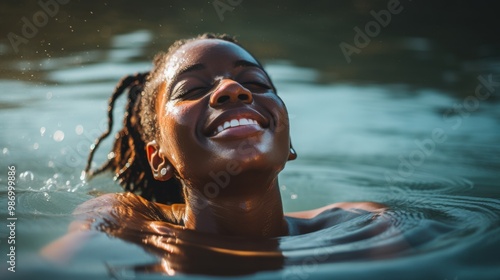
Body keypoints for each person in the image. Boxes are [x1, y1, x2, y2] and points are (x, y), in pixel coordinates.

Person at [42, 33, 386, 273]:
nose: (233, 90)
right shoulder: (124, 222)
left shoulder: (366, 227)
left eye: (256, 83)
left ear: (289, 140)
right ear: (158, 158)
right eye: (192, 89)